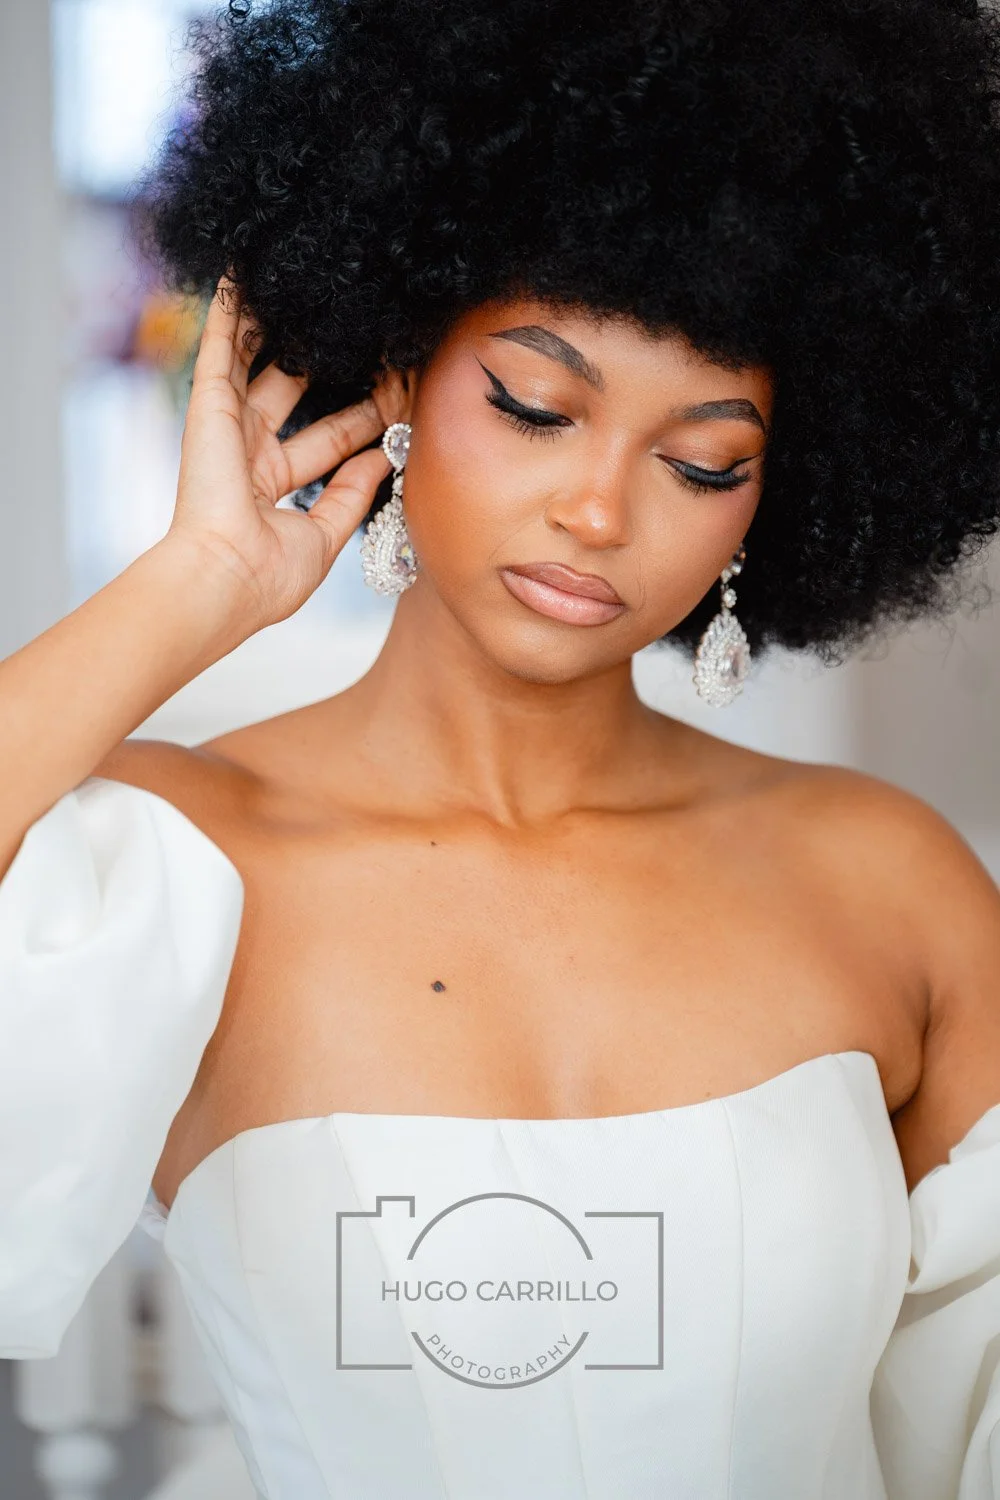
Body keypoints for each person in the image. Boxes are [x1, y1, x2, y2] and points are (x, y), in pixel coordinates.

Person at [2, 0, 1000, 1495]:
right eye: (536, 405)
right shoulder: (176, 858)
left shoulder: (892, 883)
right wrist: (199, 582)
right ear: (398, 372)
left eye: (702, 460)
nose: (602, 510)